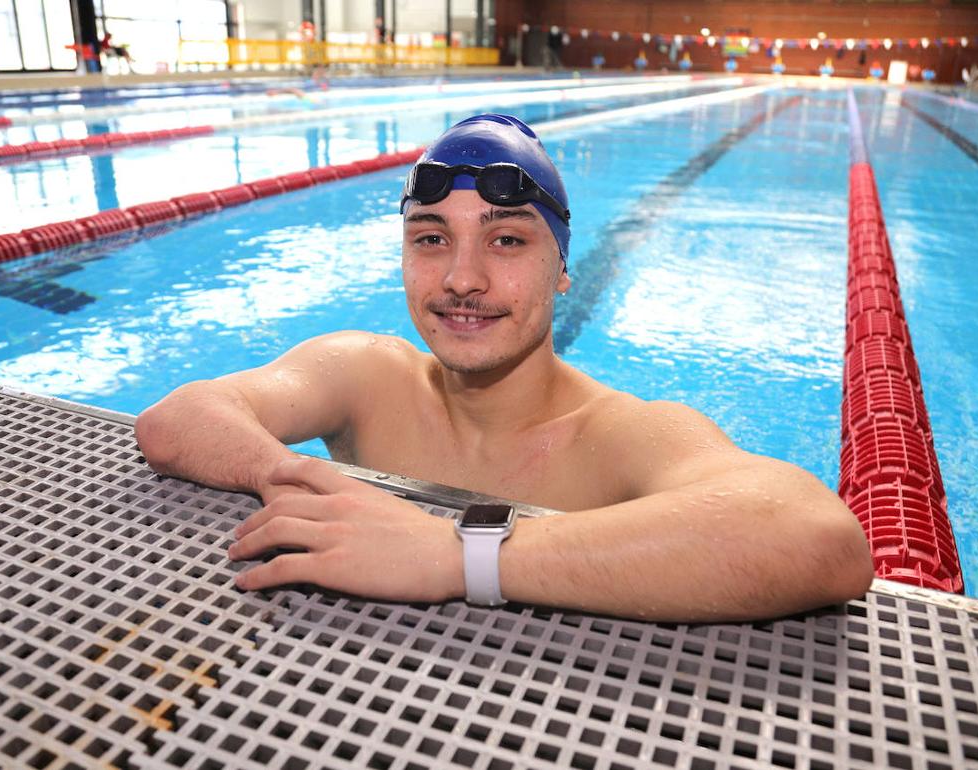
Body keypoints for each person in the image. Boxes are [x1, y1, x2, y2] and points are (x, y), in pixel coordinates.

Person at [135, 114, 875, 623]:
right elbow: (177, 421)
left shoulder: (617, 435)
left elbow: (818, 539)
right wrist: (288, 478)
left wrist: (457, 558)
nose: (461, 279)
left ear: (563, 270)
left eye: (507, 242)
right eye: (431, 239)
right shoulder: (366, 375)